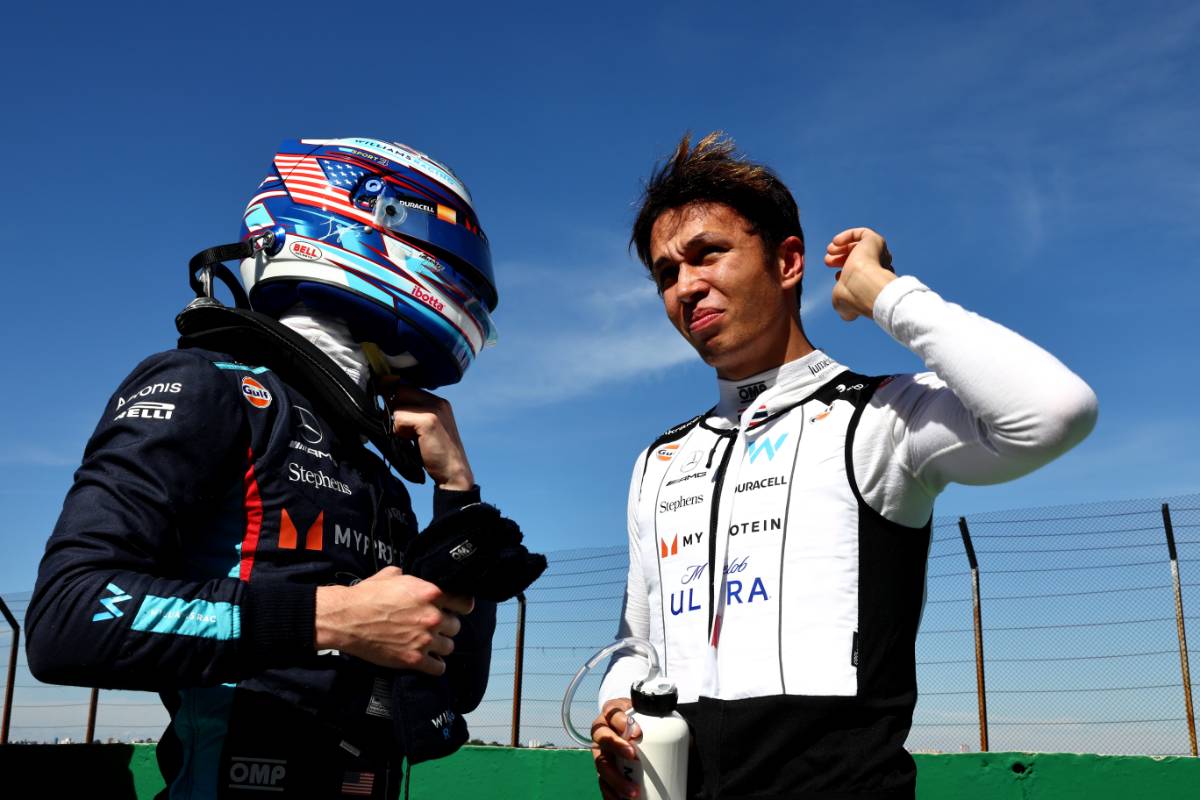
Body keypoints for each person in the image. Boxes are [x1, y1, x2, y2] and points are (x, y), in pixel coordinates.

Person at [26, 138, 542, 799]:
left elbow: (454, 688)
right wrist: (334, 618)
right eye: (454, 260)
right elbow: (68, 617)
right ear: (358, 218)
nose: (464, 285)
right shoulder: (206, 386)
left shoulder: (382, 471)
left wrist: (457, 495)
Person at [591, 133, 1098, 799]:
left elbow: (1054, 411)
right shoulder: (661, 459)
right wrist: (616, 711)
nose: (685, 286)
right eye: (665, 273)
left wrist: (883, 293)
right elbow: (638, 643)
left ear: (788, 260)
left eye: (706, 254)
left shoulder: (880, 416)